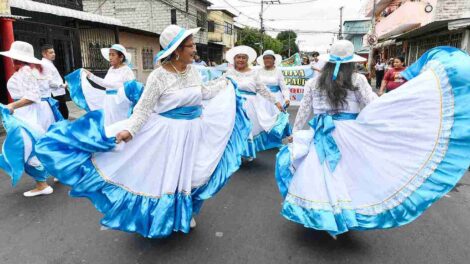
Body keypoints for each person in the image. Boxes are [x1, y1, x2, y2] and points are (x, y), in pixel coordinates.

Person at [35, 25, 251, 238]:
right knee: (170, 174)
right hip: (168, 134)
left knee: (191, 172)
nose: (195, 50)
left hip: (193, 132)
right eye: (190, 46)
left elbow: (203, 92)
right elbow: (144, 108)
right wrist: (130, 129)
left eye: (193, 45)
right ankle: (165, 216)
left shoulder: (193, 71)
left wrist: (225, 83)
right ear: (177, 50)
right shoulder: (158, 76)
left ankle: (185, 211)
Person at [275, 40, 470, 237]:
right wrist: (393, 110)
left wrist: (295, 131)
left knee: (321, 173)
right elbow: (371, 105)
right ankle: (340, 214)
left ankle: (325, 214)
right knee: (348, 175)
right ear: (352, 62)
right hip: (351, 133)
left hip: (322, 134)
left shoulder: (313, 82)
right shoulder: (357, 79)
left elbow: (304, 110)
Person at [0, 41, 59, 197]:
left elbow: (33, 96)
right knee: (30, 147)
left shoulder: (25, 71)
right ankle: (49, 177)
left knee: (26, 148)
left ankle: (42, 184)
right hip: (25, 114)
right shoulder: (27, 71)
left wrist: (12, 105)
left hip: (26, 115)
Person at [225, 46, 286, 161]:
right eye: (238, 57)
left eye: (243, 58)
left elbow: (262, 89)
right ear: (234, 59)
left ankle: (245, 153)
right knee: (234, 129)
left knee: (247, 129)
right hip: (233, 105)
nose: (241, 60)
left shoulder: (253, 73)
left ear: (247, 60)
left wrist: (277, 102)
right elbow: (219, 86)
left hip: (250, 106)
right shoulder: (229, 73)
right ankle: (235, 154)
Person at [83, 44, 135, 125]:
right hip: (108, 101)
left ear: (121, 57)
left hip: (120, 102)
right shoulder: (111, 69)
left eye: (113, 55)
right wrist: (90, 76)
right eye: (109, 54)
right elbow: (105, 83)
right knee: (108, 123)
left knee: (120, 123)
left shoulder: (127, 70)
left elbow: (131, 87)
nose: (110, 57)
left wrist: (92, 76)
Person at [256, 50, 291, 114]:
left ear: (274, 60)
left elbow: (284, 87)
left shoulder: (278, 71)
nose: (267, 60)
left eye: (269, 58)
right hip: (261, 98)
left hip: (276, 99)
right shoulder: (258, 71)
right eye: (265, 58)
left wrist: (287, 98)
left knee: (275, 118)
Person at [40, 44, 69, 119]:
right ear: (44, 54)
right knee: (62, 114)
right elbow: (49, 81)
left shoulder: (49, 63)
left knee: (62, 113)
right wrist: (62, 85)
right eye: (51, 52)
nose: (54, 54)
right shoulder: (45, 64)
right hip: (55, 93)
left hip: (58, 92)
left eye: (54, 52)